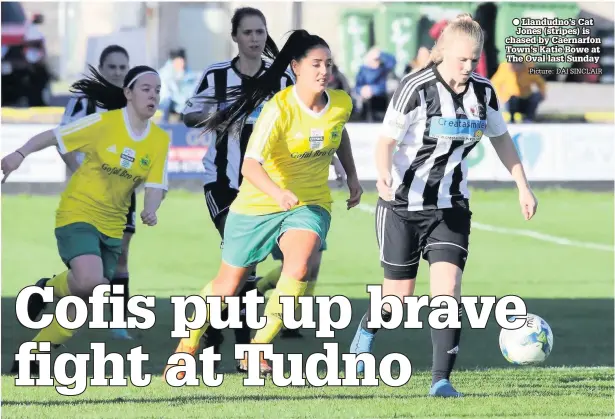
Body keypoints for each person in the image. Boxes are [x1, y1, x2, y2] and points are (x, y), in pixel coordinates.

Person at [349, 14, 538, 397]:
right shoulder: (415, 87)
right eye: (462, 60)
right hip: (402, 205)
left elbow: (501, 139)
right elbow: (385, 141)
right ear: (444, 52)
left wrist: (523, 185)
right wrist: (383, 174)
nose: (468, 67)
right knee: (398, 299)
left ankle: (441, 380)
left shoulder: (483, 92)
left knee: (447, 291)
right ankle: (368, 328)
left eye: (474, 59)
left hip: (450, 207)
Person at [164, 29, 362, 380]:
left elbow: (340, 130)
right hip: (258, 202)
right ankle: (186, 346)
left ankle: (258, 350)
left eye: (327, 64)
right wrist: (277, 194)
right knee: (227, 286)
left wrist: (352, 176)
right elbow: (249, 166)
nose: (323, 71)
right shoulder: (279, 108)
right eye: (315, 64)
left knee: (300, 267)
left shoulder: (341, 103)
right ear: (296, 68)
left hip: (310, 202)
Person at [5, 64, 171, 375]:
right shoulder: (104, 123)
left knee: (86, 297)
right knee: (92, 280)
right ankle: (48, 292)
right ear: (128, 93)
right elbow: (53, 136)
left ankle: (34, 348)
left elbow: (156, 184)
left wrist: (152, 208)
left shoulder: (159, 140)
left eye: (158, 90)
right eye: (146, 89)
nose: (153, 95)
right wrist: (19, 154)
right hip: (78, 212)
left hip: (112, 226)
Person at [181, 7, 296, 365]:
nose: (255, 38)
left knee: (242, 268)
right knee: (243, 260)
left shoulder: (282, 79)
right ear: (235, 37)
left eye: (260, 32)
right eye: (247, 32)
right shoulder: (217, 76)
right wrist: (225, 112)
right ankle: (247, 349)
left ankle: (213, 330)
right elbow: (188, 113)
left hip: (266, 185)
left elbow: (301, 121)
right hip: (223, 182)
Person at [49, 44, 135, 341]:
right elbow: (62, 139)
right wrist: (77, 170)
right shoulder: (83, 100)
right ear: (101, 68)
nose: (117, 72)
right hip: (87, 195)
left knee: (121, 255)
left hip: (122, 192)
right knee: (91, 259)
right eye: (112, 67)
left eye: (122, 67)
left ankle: (118, 320)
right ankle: (64, 294)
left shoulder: (132, 102)